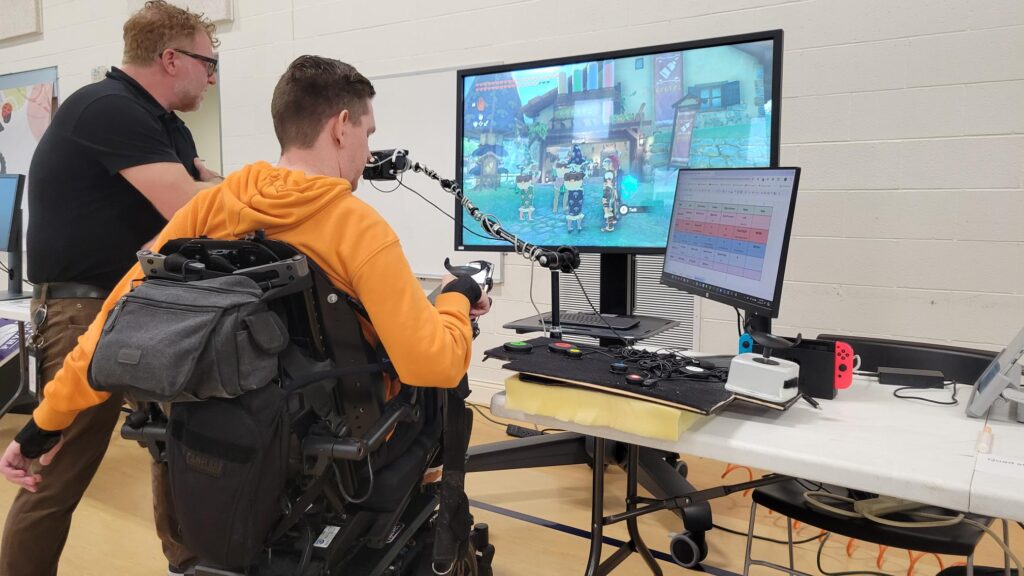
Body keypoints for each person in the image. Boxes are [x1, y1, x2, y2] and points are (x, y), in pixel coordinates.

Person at [0, 54, 491, 570]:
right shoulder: (357, 227)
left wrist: (45, 424)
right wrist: (457, 297)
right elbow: (428, 363)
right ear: (341, 127)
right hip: (339, 435)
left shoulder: (209, 209)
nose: (368, 151)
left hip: (219, 428)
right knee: (442, 385)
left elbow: (113, 324)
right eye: (368, 132)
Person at [1, 2, 222, 574]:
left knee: (181, 448)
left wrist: (234, 189)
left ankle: (190, 562)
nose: (212, 76)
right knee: (56, 472)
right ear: (171, 58)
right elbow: (189, 203)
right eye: (208, 62)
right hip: (86, 310)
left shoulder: (163, 123)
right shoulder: (107, 107)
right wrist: (279, 185)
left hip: (140, 305)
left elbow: (208, 187)